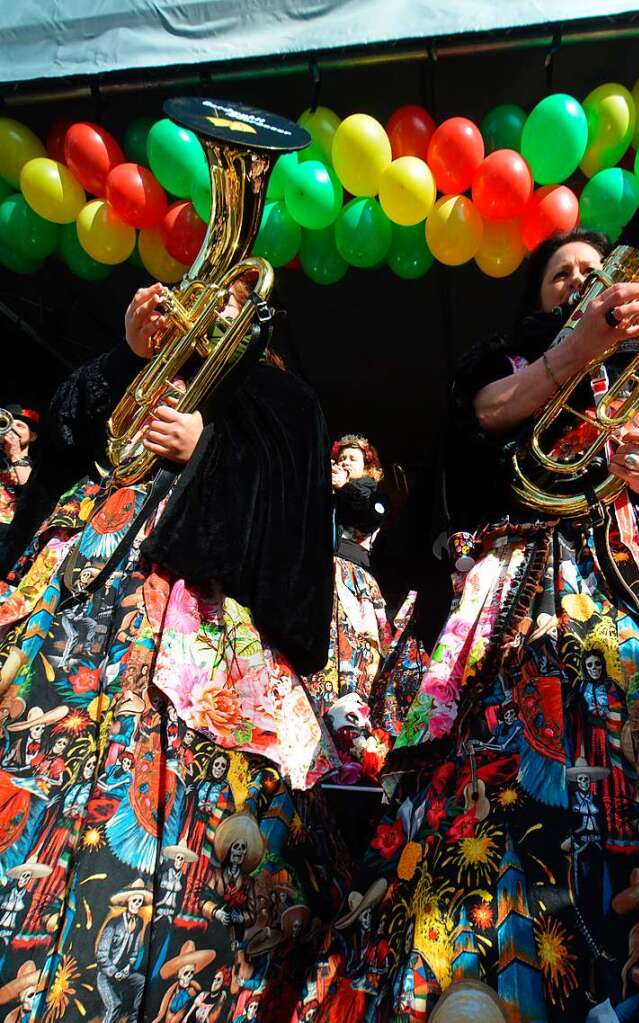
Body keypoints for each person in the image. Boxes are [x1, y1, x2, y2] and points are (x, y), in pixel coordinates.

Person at [294, 25, 639, 1014]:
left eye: (597, 281)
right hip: (518, 582)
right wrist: (569, 351)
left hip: (634, 572)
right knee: (502, 790)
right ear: (535, 301)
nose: (582, 290)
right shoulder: (504, 365)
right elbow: (481, 421)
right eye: (562, 280)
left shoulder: (631, 380)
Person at [0, 274, 345, 1022]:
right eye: (207, 289)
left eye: (231, 298)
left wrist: (208, 452)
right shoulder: (152, 359)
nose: (212, 303)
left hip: (199, 630)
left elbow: (292, 549)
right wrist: (125, 355)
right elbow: (60, 444)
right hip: (83, 585)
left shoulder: (285, 399)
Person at [304, 435, 392, 783]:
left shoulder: (370, 495)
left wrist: (345, 488)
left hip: (352, 579)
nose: (345, 463)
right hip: (318, 575)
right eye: (340, 459)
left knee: (357, 659)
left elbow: (368, 515)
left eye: (353, 459)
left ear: (369, 467)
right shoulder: (325, 492)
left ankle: (355, 741)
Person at [0, 406, 39, 545]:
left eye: (20, 425)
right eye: (7, 424)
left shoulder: (38, 469)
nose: (12, 429)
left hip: (7, 533)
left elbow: (31, 495)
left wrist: (15, 454)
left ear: (33, 436)